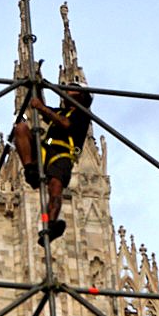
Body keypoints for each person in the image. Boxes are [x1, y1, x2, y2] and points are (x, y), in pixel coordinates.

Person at [12, 83, 95, 242]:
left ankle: (50, 223)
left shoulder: (82, 114)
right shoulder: (60, 112)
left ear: (82, 96)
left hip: (62, 154)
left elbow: (64, 123)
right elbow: (42, 109)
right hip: (45, 150)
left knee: (55, 187)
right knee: (21, 129)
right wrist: (37, 87)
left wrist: (41, 107)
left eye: (71, 89)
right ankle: (30, 169)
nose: (65, 92)